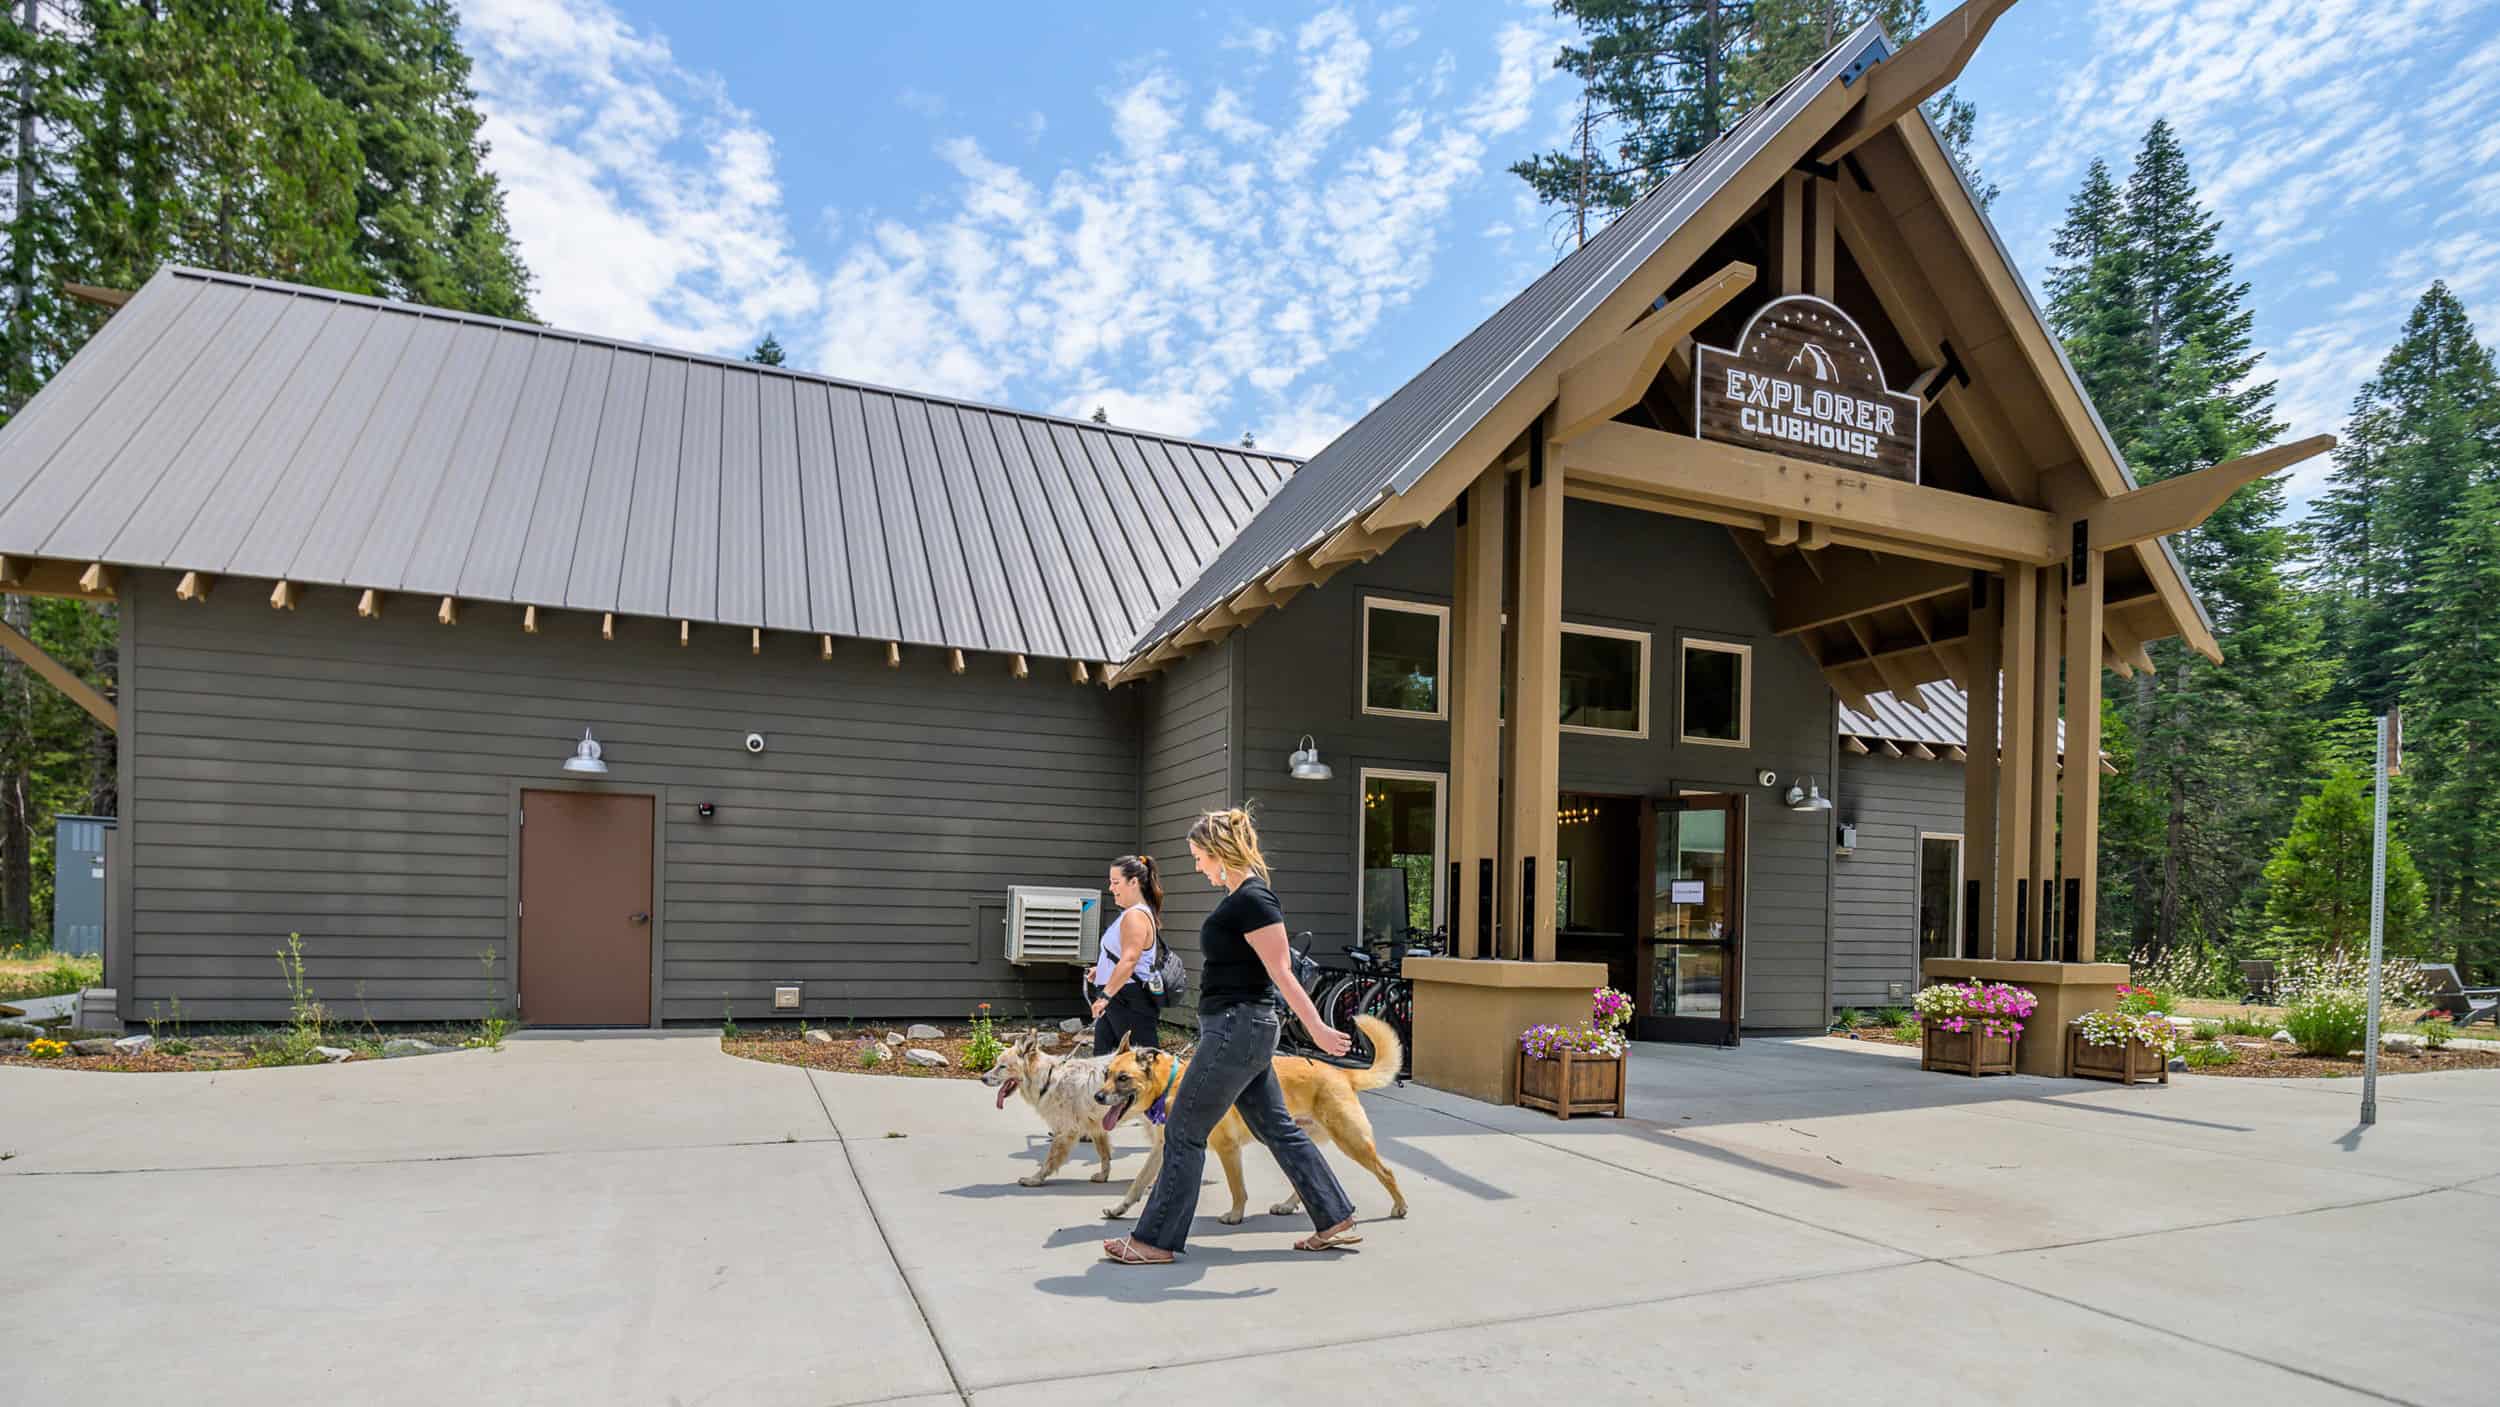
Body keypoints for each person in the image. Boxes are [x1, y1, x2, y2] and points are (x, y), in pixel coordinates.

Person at [1102, 807, 1363, 1264]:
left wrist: (1318, 1027)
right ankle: (1334, 1216)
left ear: (1220, 852)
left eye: (1198, 856)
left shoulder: (1254, 900)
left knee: (1182, 1126)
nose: (1197, 866)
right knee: (1277, 1128)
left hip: (1237, 1029)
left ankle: (1154, 1241)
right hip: (1240, 1030)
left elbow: (1281, 971)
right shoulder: (1240, 897)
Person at [1088, 854, 1163, 1055]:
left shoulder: (1135, 916)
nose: (1111, 888)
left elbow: (1130, 959)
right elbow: (1123, 956)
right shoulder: (1130, 914)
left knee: (1143, 1064)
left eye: (1115, 882)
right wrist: (1101, 969)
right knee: (1105, 1063)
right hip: (1119, 997)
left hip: (1127, 998)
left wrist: (1105, 996)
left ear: (1134, 882)